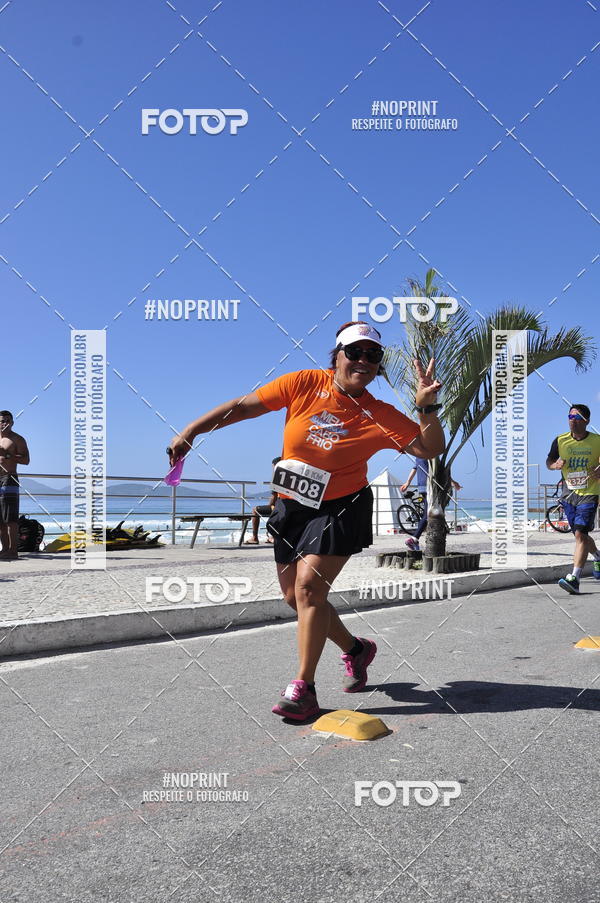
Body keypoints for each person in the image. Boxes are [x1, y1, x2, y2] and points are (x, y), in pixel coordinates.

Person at [169, 321, 445, 720]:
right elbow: (244, 407)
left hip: (342, 506)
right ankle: (357, 649)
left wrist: (425, 407)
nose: (364, 361)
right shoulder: (302, 383)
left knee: (309, 589)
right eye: (355, 352)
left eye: (373, 356)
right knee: (294, 598)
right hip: (292, 505)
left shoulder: (380, 413)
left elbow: (430, 447)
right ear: (337, 356)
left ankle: (304, 688)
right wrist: (193, 430)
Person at [546, 403, 600, 594]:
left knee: (579, 535)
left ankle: (574, 579)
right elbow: (549, 461)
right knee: (580, 535)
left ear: (586, 421)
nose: (572, 421)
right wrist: (555, 465)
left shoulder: (597, 441)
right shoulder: (560, 441)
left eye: (576, 418)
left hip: (590, 493)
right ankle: (598, 556)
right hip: (569, 495)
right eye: (570, 417)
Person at [400, 458, 461, 551]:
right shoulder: (432, 454)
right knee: (428, 514)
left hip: (422, 487)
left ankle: (415, 540)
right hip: (430, 487)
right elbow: (440, 472)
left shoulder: (418, 455)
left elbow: (415, 468)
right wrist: (453, 482)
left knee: (426, 513)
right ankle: (413, 539)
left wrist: (408, 482)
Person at [0, 411, 30, 561]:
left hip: (9, 478)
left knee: (10, 518)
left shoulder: (17, 439)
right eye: (1, 421)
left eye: (6, 421)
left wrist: (8, 455)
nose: (3, 423)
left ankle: (13, 550)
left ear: (12, 422)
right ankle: (4, 549)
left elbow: (26, 460)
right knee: (0, 519)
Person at [245, 456, 282, 544]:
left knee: (255, 510)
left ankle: (255, 537)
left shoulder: (278, 477)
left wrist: (270, 506)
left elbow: (274, 497)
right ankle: (272, 536)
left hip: (280, 507)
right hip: (289, 506)